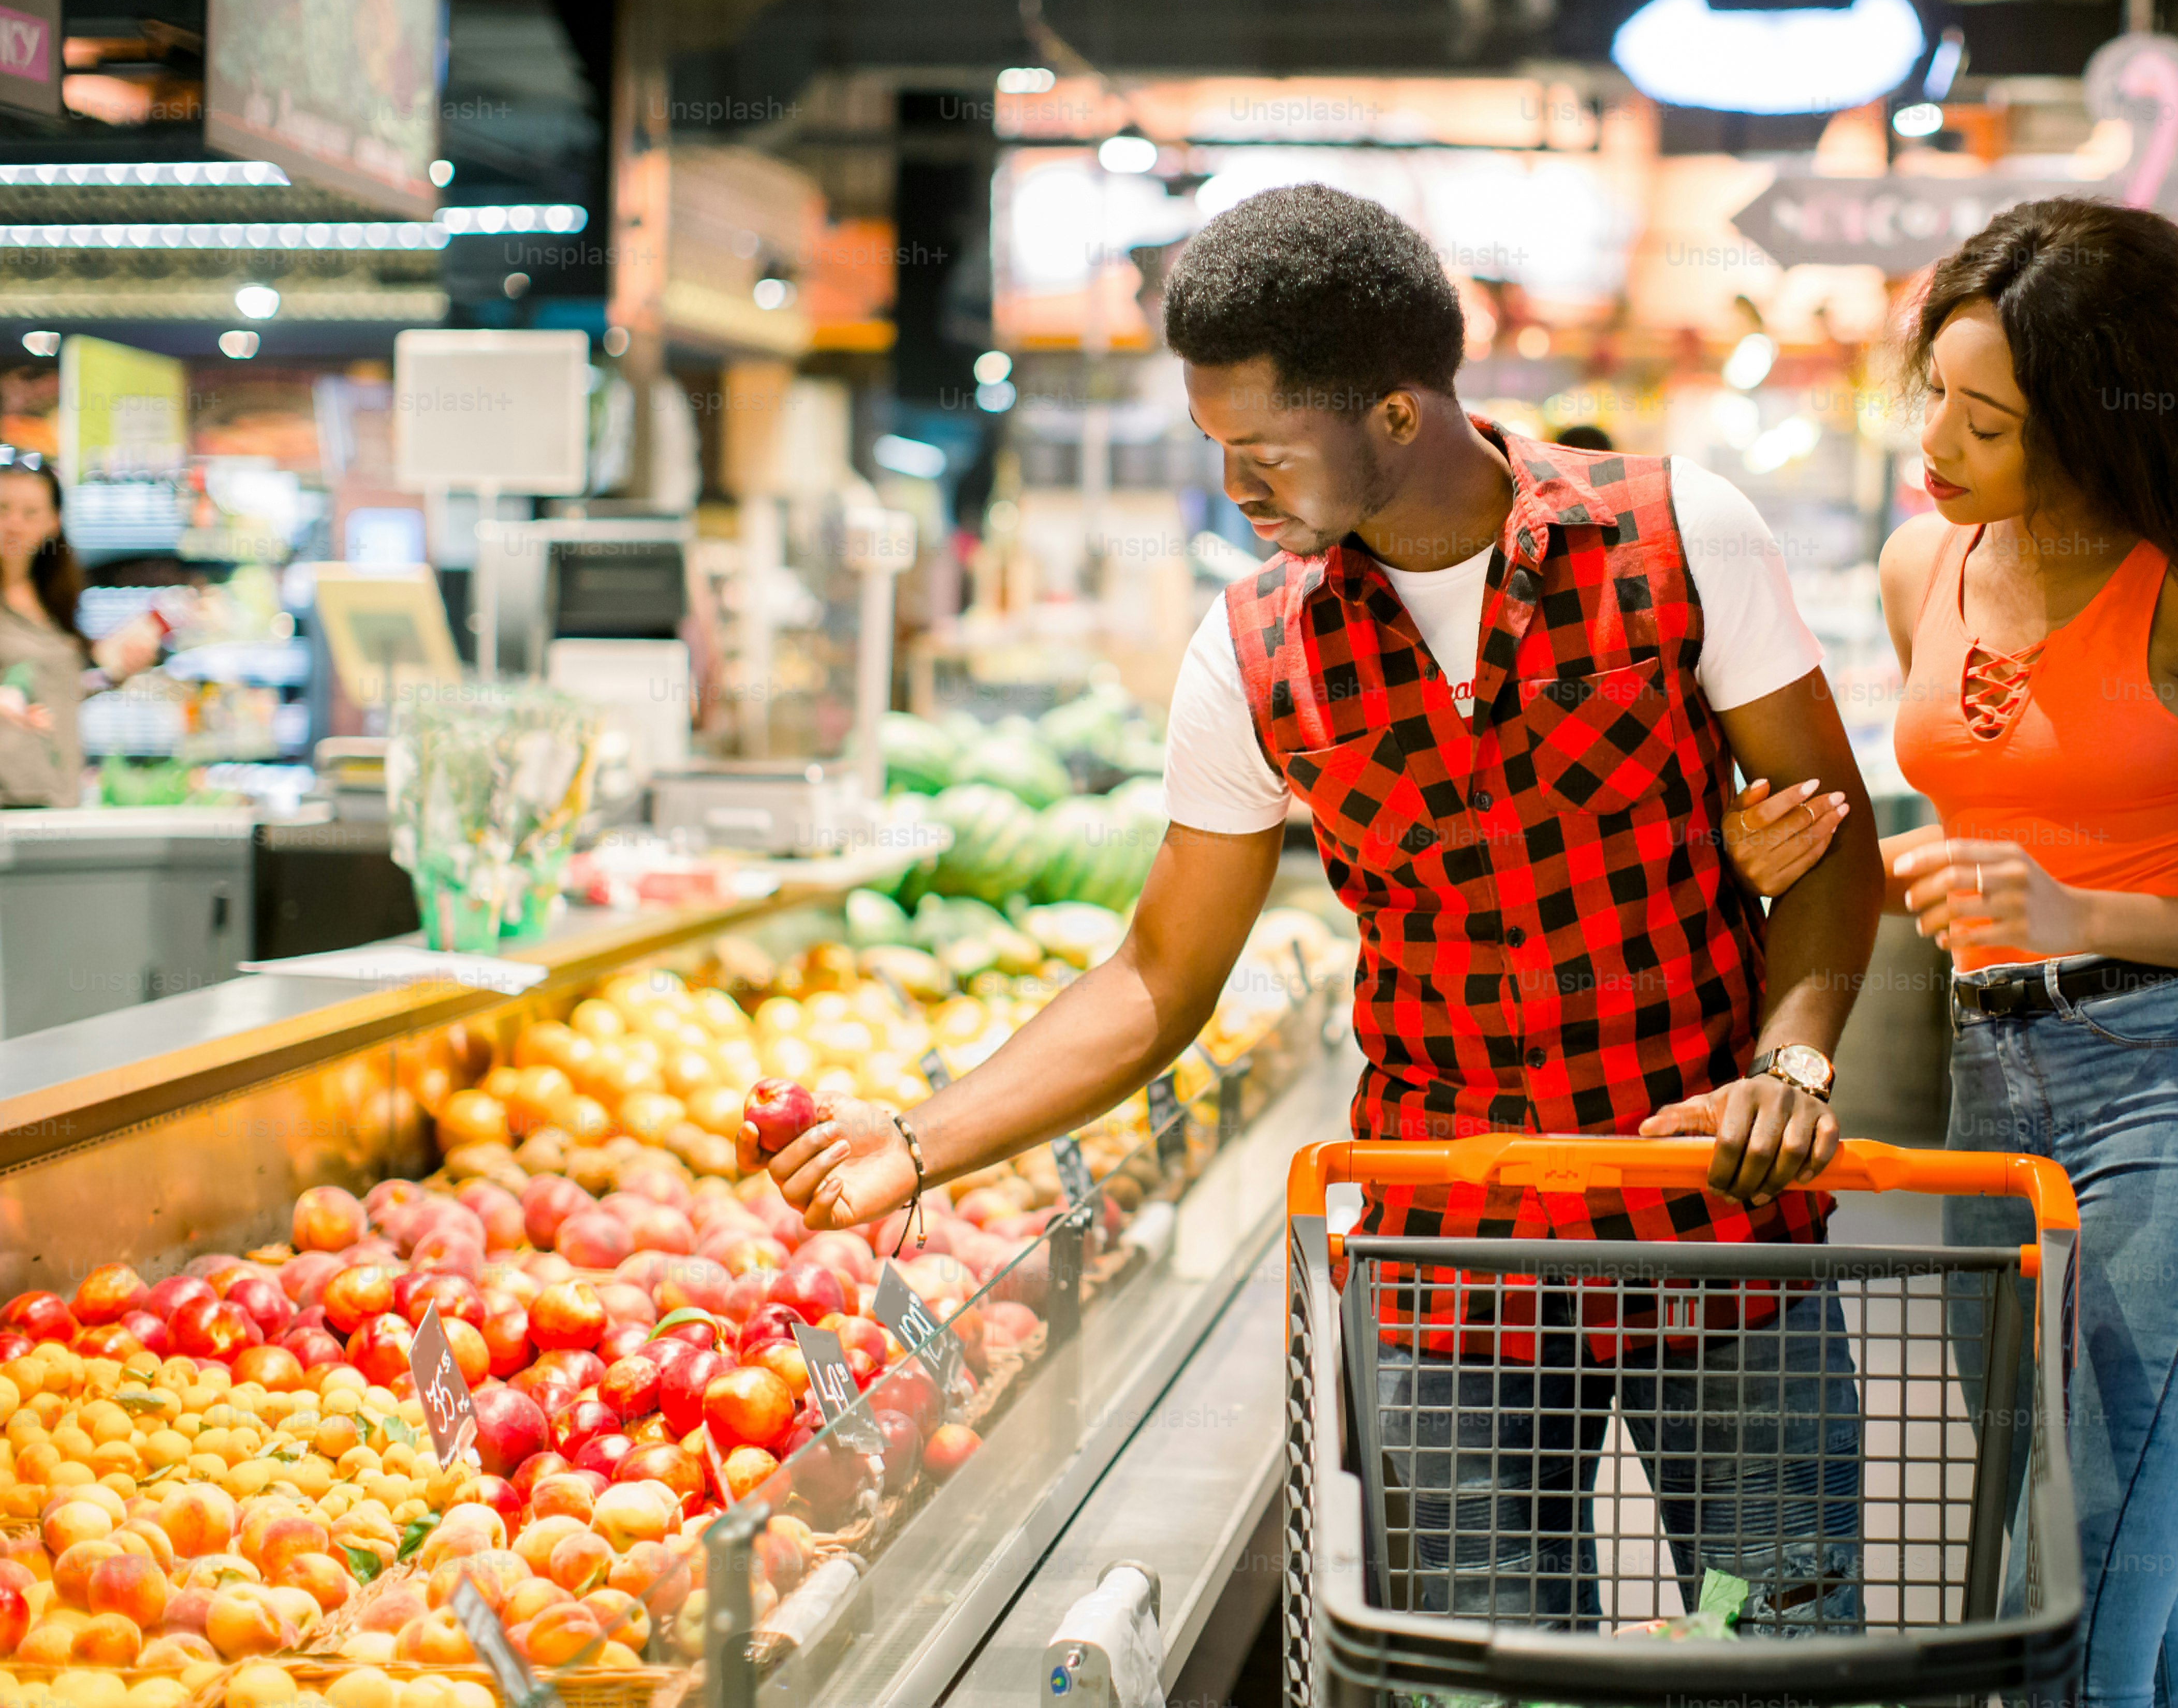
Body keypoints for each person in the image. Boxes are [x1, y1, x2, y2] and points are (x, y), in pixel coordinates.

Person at [746, 184, 1887, 1628]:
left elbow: (1835, 844)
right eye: (1217, 447)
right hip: (1446, 1256)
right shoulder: (1250, 649)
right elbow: (1163, 970)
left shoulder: (1672, 538)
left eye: (1264, 450)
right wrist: (923, 1138)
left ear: (1398, 415)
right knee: (1471, 1665)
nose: (1238, 487)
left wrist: (1791, 1057)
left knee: (1776, 1647)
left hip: (1713, 1226)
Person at [1724, 197, 2178, 1708]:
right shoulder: (1920, 570)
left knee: (2064, 1599)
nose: (1936, 443)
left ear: (2102, 426)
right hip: (1991, 1087)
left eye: (1989, 420)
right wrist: (1784, 853)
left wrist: (2090, 915)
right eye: (1934, 398)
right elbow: (1979, 840)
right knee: (2084, 1570)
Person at [0, 451, 161, 807]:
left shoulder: (53, 600)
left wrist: (113, 672)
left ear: (53, 522)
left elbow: (56, 690)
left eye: (30, 513)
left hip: (55, 794)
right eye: (3, 508)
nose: (14, 524)